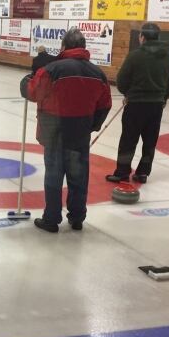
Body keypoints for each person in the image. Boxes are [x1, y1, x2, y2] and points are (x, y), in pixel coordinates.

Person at [22, 28, 112, 233]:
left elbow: (34, 92)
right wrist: (92, 126)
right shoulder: (98, 74)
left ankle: (51, 219)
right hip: (80, 132)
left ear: (64, 46)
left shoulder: (52, 69)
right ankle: (77, 217)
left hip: (54, 131)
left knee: (54, 175)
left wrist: (25, 83)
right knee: (78, 177)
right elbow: (105, 104)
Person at [107, 23, 169, 184]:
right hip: (156, 105)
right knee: (150, 141)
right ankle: (143, 172)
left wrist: (127, 93)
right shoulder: (168, 56)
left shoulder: (135, 55)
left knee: (129, 139)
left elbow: (122, 80)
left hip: (136, 104)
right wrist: (163, 98)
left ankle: (122, 172)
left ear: (142, 37)